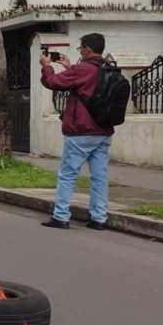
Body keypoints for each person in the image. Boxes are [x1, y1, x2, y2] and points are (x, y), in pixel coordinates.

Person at [39, 33, 114, 230]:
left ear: (88, 49)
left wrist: (46, 66)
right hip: (103, 130)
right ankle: (99, 218)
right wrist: (69, 67)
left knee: (68, 174)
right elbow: (88, 85)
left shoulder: (83, 69)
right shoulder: (108, 69)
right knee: (99, 176)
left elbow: (53, 82)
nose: (80, 51)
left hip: (81, 130)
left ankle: (61, 216)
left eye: (81, 48)